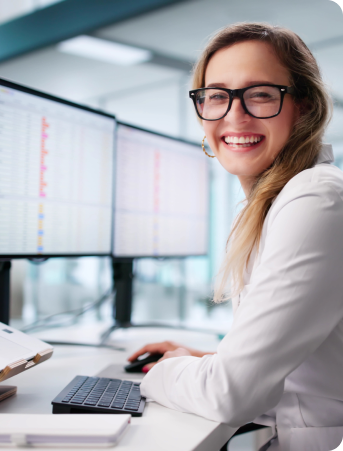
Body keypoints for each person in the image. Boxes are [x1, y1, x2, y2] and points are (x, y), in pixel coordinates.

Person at [130, 23, 343, 451]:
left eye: (260, 94)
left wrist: (169, 371)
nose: (234, 115)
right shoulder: (270, 204)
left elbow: (229, 395)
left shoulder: (316, 199)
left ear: (303, 105)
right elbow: (284, 380)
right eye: (217, 96)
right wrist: (210, 364)